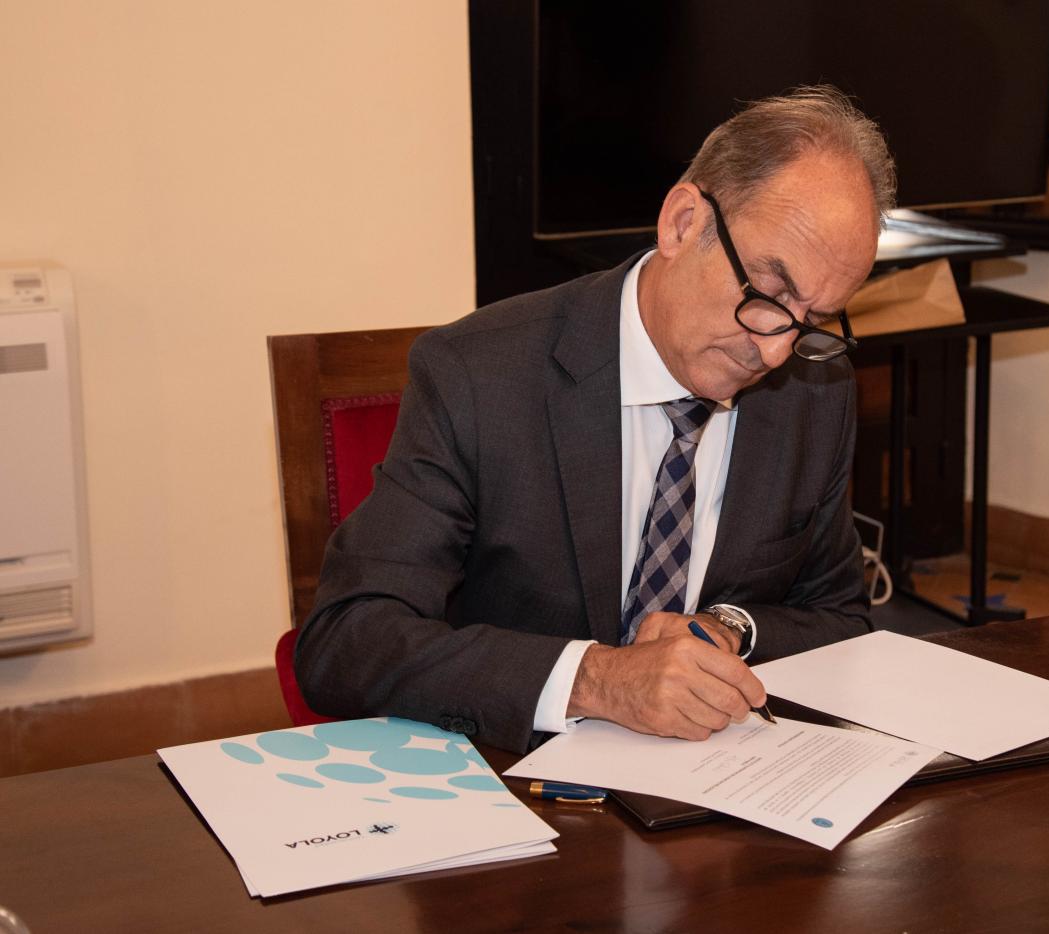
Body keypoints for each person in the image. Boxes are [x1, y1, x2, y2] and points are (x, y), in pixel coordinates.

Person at [297, 86, 897, 754]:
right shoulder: (480, 374)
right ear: (682, 222)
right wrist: (598, 680)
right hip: (514, 773)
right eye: (769, 294)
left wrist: (727, 628)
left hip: (714, 784)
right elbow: (346, 640)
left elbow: (842, 619)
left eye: (813, 320)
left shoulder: (814, 390)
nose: (777, 348)